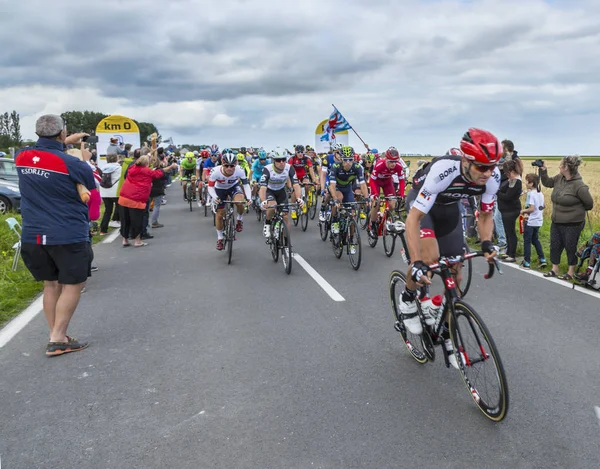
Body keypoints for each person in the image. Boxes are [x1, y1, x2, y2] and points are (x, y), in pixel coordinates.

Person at [400, 128, 502, 368]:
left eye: (492, 167)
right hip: (424, 208)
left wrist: (486, 242)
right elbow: (413, 219)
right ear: (466, 161)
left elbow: (486, 214)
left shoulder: (493, 177)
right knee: (430, 258)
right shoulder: (443, 171)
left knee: (456, 269)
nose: (488, 173)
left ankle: (445, 333)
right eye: (481, 167)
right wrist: (416, 262)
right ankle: (407, 297)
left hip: (449, 212)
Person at [15, 114, 96, 356]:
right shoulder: (75, 164)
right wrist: (85, 158)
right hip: (66, 233)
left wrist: (64, 141)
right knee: (73, 284)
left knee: (50, 285)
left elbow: (45, 148)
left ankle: (55, 336)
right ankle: (58, 338)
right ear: (62, 134)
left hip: (33, 233)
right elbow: (90, 188)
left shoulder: (21, 156)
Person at [541, 155, 594, 280]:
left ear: (567, 168)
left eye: (561, 164)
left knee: (570, 246)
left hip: (573, 223)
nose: (559, 166)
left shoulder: (579, 186)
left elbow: (589, 204)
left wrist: (575, 211)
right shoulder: (560, 178)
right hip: (556, 220)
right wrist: (543, 170)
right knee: (555, 244)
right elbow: (547, 182)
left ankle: (570, 272)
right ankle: (554, 269)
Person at [119, 154, 177, 247]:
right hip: (136, 199)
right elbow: (158, 173)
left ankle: (125, 239)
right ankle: (137, 240)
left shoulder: (131, 169)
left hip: (124, 198)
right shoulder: (146, 171)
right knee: (137, 220)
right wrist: (170, 166)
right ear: (147, 163)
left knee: (125, 220)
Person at [207, 152, 252, 250]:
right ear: (222, 164)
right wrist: (215, 197)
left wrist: (248, 198)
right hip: (219, 189)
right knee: (220, 214)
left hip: (233, 187)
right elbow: (210, 187)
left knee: (240, 202)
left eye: (232, 166)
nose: (229, 168)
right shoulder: (215, 171)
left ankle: (239, 220)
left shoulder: (240, 170)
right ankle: (220, 238)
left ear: (235, 165)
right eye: (226, 165)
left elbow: (245, 185)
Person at [259, 151, 303, 237]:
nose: (281, 162)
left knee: (285, 216)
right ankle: (267, 223)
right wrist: (263, 201)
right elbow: (263, 188)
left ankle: (287, 245)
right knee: (272, 206)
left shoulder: (289, 168)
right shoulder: (267, 169)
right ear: (273, 161)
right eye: (278, 160)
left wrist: (299, 198)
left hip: (281, 191)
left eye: (283, 159)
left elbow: (296, 185)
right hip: (269, 190)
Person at [496, 158, 523, 262]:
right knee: (508, 232)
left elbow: (508, 196)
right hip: (506, 210)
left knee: (511, 233)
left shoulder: (516, 182)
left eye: (507, 172)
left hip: (510, 211)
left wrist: (497, 192)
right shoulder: (512, 180)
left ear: (511, 171)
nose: (506, 175)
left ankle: (512, 254)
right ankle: (508, 252)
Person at [520, 173, 547, 269]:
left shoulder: (531, 194)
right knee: (535, 240)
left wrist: (523, 211)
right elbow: (543, 206)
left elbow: (532, 208)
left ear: (531, 184)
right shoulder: (540, 193)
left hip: (530, 221)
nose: (525, 183)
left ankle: (526, 262)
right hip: (538, 221)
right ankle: (542, 258)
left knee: (527, 241)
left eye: (527, 181)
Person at [99, 154, 122, 234]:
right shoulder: (119, 168)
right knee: (119, 207)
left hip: (104, 191)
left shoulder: (102, 168)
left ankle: (103, 229)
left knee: (107, 210)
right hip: (115, 191)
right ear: (116, 159)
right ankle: (117, 221)